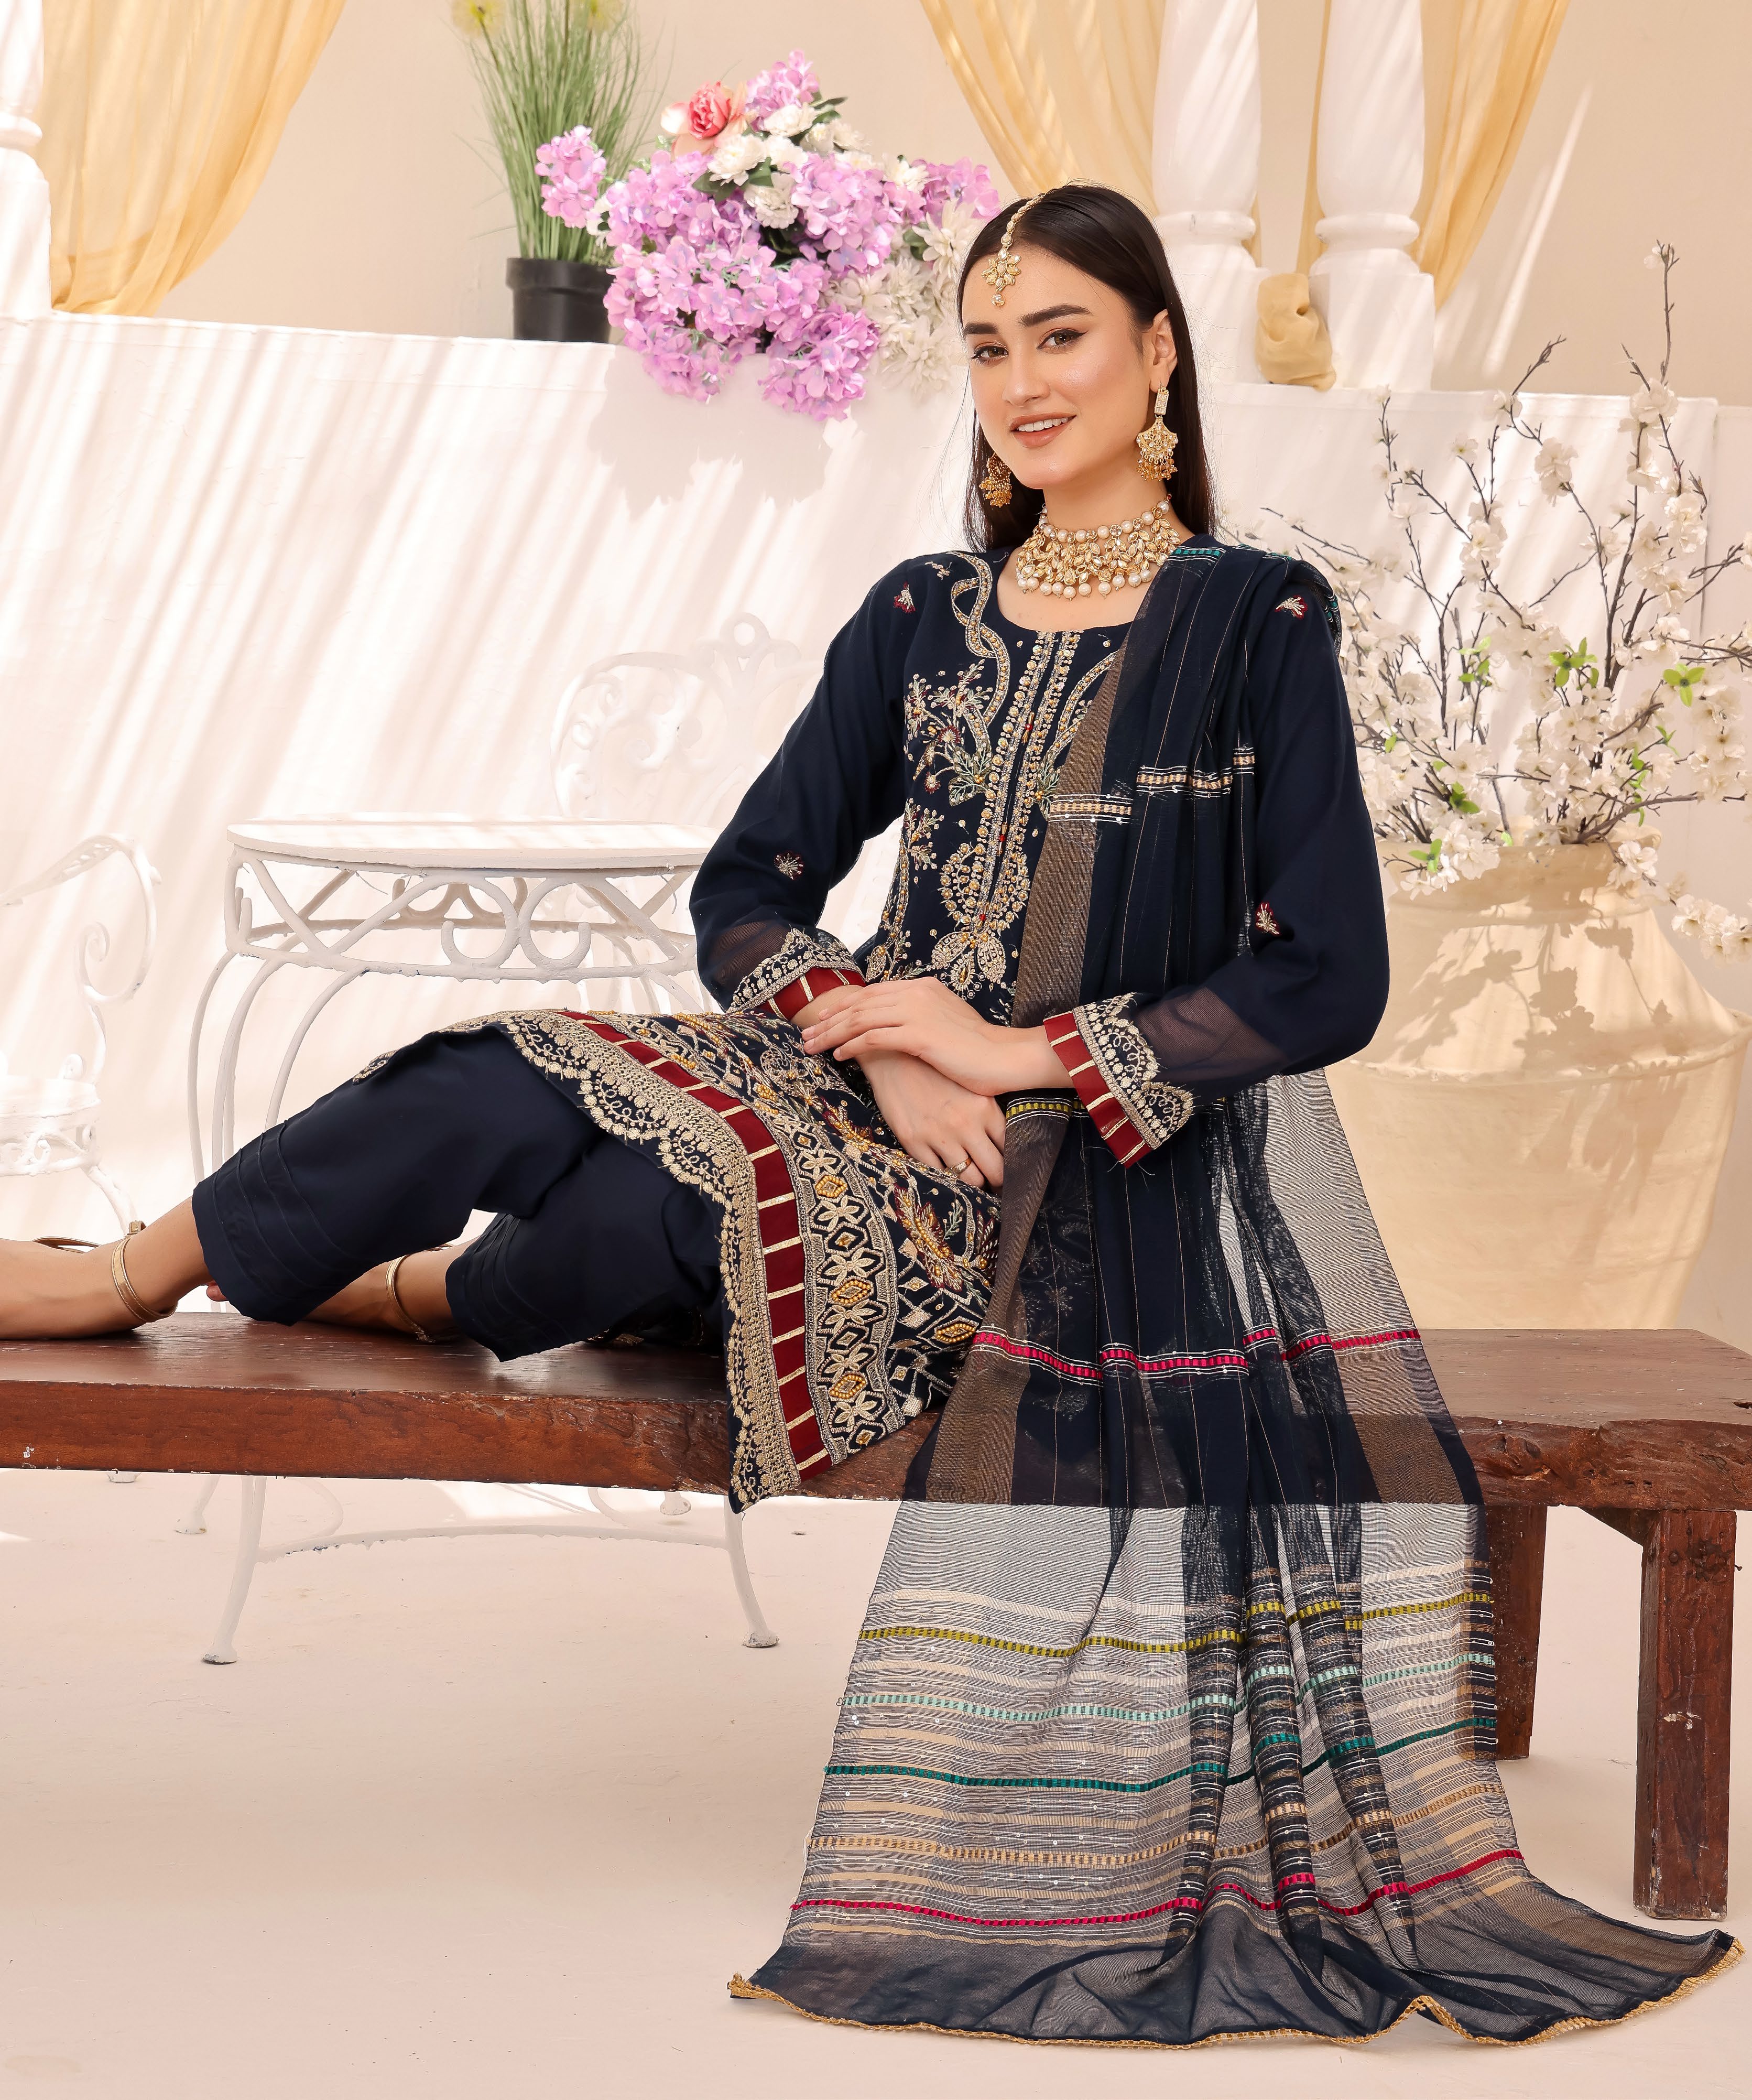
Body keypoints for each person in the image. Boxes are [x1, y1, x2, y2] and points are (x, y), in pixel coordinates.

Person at [2, 186, 1734, 2045]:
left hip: (1067, 1186)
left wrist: (1007, 1058)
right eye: (988, 347)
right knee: (491, 1071)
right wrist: (891, 1043)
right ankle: (129, 1270)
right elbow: (747, 887)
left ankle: (422, 1296)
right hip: (850, 1080)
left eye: (1061, 335)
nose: (1022, 382)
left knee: (661, 1216)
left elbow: (1326, 976)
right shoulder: (923, 613)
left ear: (1157, 351)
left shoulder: (1256, 623)